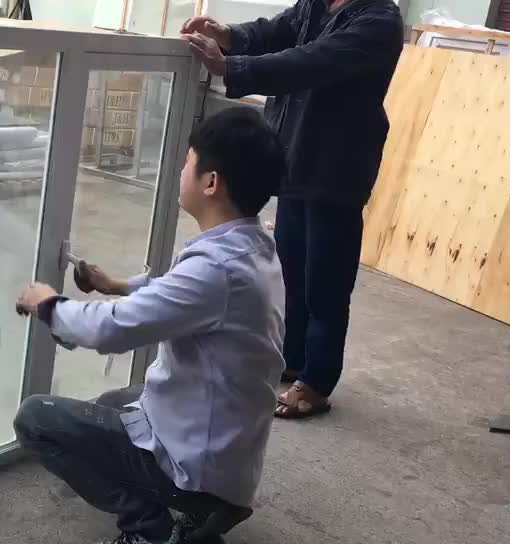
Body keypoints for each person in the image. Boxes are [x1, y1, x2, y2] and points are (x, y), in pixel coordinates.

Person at [13, 108, 287, 544]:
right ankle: (200, 510)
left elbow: (112, 329)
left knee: (36, 419)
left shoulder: (218, 268)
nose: (180, 172)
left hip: (203, 468)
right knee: (111, 402)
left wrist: (47, 304)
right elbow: (183, 293)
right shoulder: (250, 246)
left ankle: (155, 527)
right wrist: (116, 285)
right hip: (229, 446)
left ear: (211, 182)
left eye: (186, 163)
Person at [181, 0, 405, 418]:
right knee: (290, 272)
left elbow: (310, 62)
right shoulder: (316, 4)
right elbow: (277, 30)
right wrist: (229, 35)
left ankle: (317, 380)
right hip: (296, 159)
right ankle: (293, 358)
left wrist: (231, 67)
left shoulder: (378, 20)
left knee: (325, 282)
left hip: (335, 171)